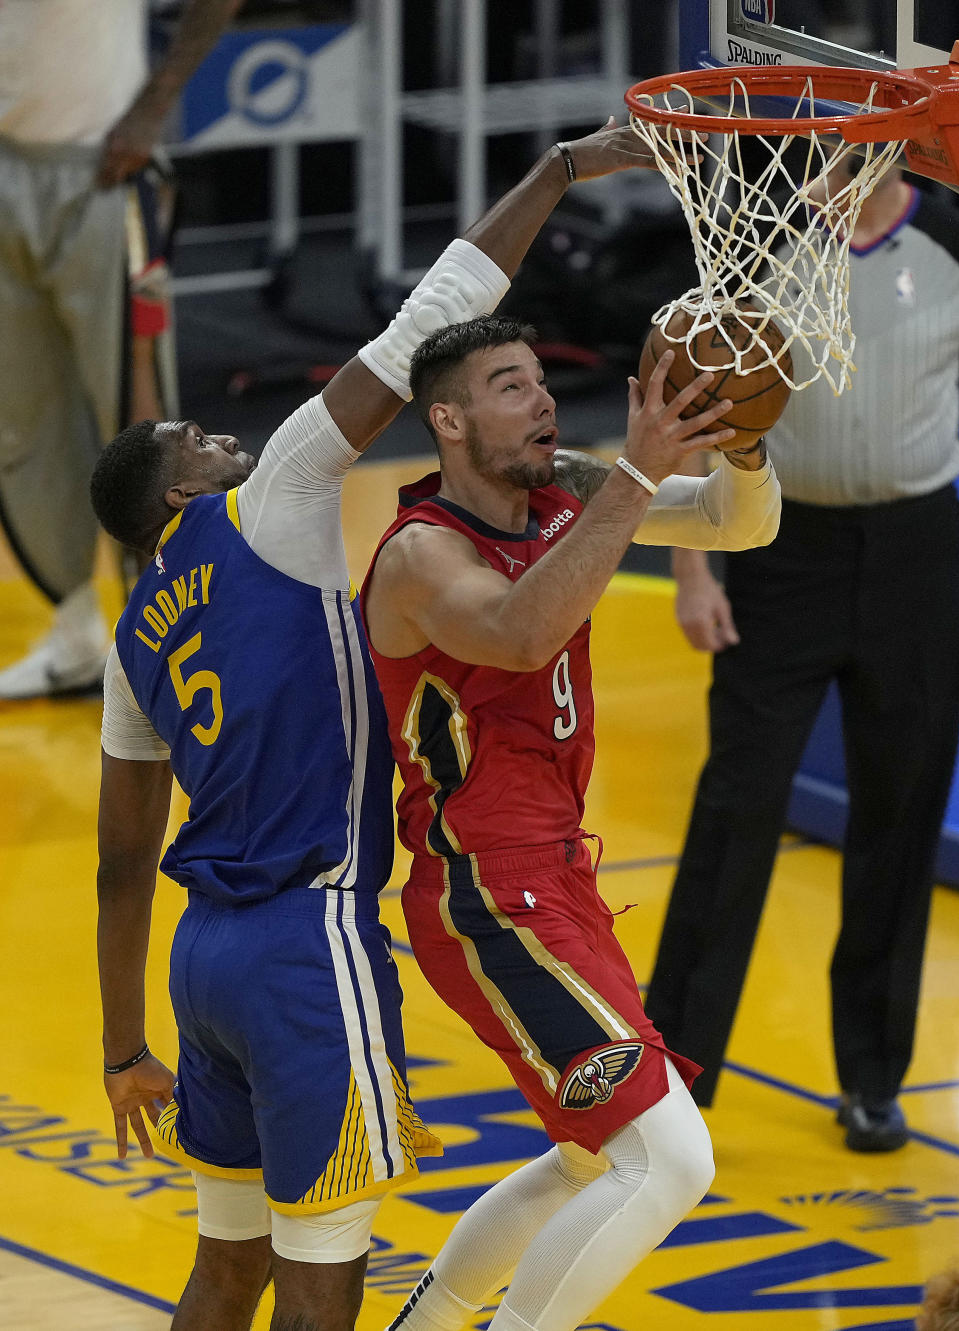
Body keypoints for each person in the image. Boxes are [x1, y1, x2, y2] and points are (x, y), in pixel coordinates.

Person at [91, 126, 669, 1331]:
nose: (223, 433)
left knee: (227, 1267)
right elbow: (428, 324)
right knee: (320, 1282)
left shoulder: (131, 639)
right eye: (198, 438)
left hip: (202, 962)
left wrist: (120, 1047)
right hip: (309, 942)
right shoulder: (275, 500)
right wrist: (555, 173)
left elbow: (115, 866)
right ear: (183, 494)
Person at [359, 315, 782, 1330]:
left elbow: (737, 524)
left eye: (545, 380)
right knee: (674, 1159)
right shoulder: (421, 551)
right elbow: (518, 630)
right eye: (512, 385)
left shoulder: (570, 492)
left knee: (591, 1157)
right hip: (484, 891)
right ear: (448, 418)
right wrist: (634, 479)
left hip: (555, 875)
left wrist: (747, 440)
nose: (544, 400)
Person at [644, 161, 959, 1151]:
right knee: (738, 800)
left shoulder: (950, 237)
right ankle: (674, 1076)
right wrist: (695, 575)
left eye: (845, 144)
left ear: (889, 147)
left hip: (919, 550)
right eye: (815, 146)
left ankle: (872, 1075)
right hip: (783, 550)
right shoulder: (762, 246)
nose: (823, 166)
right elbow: (697, 404)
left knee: (900, 811)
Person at [0, 0, 244, 699]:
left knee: (145, 425)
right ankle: (74, 630)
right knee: (22, 415)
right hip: (7, 163)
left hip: (103, 164)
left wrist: (154, 105)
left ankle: (176, 641)